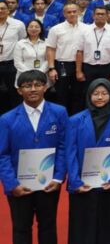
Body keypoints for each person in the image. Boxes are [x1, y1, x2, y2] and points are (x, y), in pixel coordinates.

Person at [0, 70, 67, 244]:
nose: (33, 89)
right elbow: (2, 154)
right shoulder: (6, 119)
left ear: (45, 87)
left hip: (49, 183)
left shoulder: (59, 112)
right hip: (19, 185)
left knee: (48, 226)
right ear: (19, 90)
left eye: (38, 84)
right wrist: (12, 184)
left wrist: (58, 178)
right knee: (21, 228)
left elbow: (63, 146)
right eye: (27, 86)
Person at [65, 78, 110, 244]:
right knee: (82, 226)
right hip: (82, 184)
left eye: (104, 93)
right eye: (96, 93)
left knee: (107, 225)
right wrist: (75, 182)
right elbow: (70, 153)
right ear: (89, 95)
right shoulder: (75, 120)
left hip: (108, 183)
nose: (100, 97)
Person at [46, 2, 86, 114]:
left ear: (79, 12)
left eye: (74, 11)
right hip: (62, 65)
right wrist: (51, 68)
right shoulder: (56, 29)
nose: (72, 14)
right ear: (64, 14)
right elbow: (50, 49)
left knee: (78, 95)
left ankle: (76, 119)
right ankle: (62, 118)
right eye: (69, 12)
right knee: (61, 95)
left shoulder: (86, 28)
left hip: (81, 65)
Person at [75, 6, 110, 92]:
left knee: (107, 92)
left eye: (102, 14)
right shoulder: (84, 31)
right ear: (93, 16)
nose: (100, 16)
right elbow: (79, 52)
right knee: (88, 92)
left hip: (108, 68)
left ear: (107, 16)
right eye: (98, 14)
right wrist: (78, 71)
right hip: (88, 68)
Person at [13, 20, 48, 90]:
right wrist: (29, 75)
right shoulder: (20, 43)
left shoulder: (47, 42)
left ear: (41, 29)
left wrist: (39, 72)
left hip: (42, 75)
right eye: (31, 27)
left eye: (36, 27)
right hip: (24, 76)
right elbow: (17, 62)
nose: (33, 29)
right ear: (27, 29)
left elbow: (48, 60)